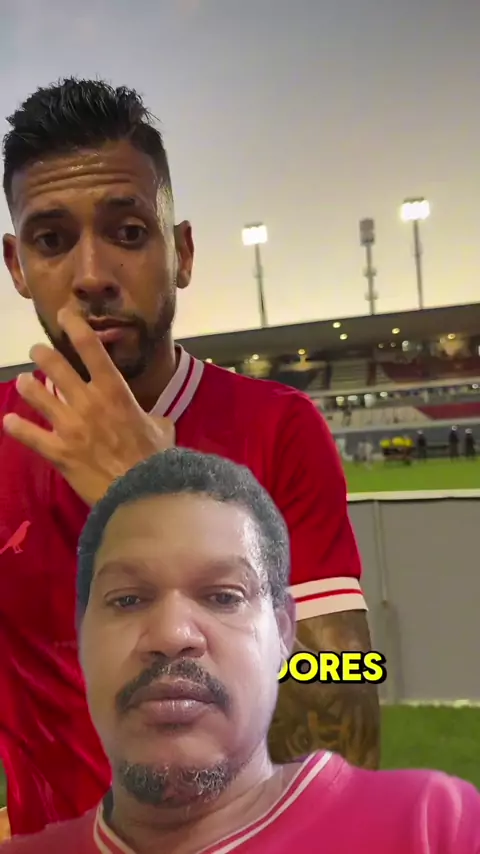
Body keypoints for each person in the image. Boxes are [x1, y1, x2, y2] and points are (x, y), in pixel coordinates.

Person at [0, 78, 377, 837]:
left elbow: (348, 718)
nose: (92, 274)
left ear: (182, 252)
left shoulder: (280, 429)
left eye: (128, 231)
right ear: (17, 266)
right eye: (52, 241)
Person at [3, 448, 480, 854]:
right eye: (127, 599)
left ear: (283, 632)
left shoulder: (431, 825)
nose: (172, 634)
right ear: (81, 633)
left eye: (223, 596)